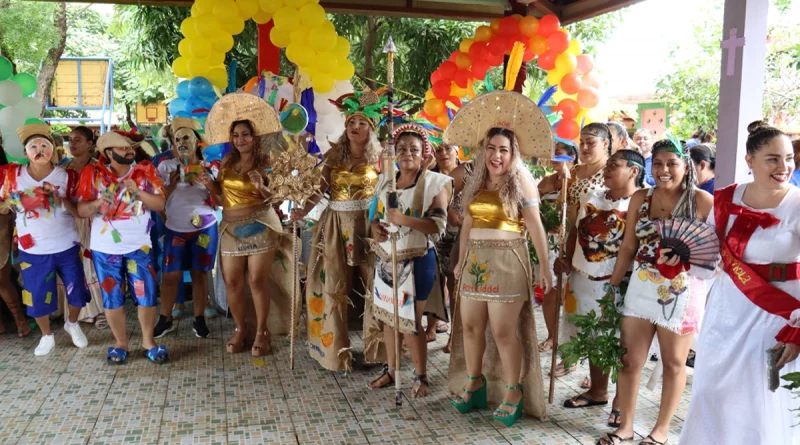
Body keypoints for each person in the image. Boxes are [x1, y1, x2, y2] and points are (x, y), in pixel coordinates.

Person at [680, 125, 799, 444]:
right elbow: (706, 264)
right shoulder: (724, 200)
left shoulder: (798, 204)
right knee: (713, 390)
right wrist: (678, 257)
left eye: (789, 158)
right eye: (772, 159)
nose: (784, 167)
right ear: (750, 159)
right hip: (726, 311)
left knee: (764, 398)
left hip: (778, 314)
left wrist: (798, 330)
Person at [596, 138, 713, 445]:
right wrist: (612, 288)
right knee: (629, 360)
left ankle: (660, 431)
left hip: (682, 289)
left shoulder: (702, 201)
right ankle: (626, 426)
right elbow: (628, 247)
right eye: (658, 163)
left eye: (672, 164)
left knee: (674, 362)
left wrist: (687, 258)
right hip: (642, 283)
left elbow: (714, 253)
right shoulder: (640, 199)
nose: (664, 170)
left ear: (686, 167)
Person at [447, 89, 553, 426]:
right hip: (475, 263)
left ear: (513, 154)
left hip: (508, 262)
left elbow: (536, 229)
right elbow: (467, 224)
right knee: (470, 325)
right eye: (491, 148)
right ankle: (475, 382)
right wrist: (461, 261)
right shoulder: (476, 180)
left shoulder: (522, 179)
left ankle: (513, 390)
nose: (496, 155)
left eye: (503, 150)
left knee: (504, 331)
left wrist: (544, 267)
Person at [290, 88, 384, 371]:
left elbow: (392, 191)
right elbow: (319, 191)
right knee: (333, 285)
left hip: (370, 226)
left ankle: (379, 351)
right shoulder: (333, 156)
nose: (356, 127)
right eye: (352, 122)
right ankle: (335, 354)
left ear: (371, 128)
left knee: (376, 285)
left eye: (362, 123)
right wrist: (302, 211)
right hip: (335, 226)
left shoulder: (381, 159)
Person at [556, 150, 645, 429]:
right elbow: (574, 230)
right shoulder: (591, 196)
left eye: (614, 166)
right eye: (607, 165)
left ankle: (621, 401)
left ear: (633, 171)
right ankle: (598, 391)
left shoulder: (642, 202)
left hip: (622, 282)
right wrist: (567, 260)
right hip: (584, 277)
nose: (607, 170)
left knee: (621, 342)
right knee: (593, 336)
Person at [202, 93, 295, 357]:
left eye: (245, 134)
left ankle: (262, 331)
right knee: (232, 281)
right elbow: (222, 200)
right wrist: (209, 185)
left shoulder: (267, 162)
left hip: (260, 223)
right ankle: (241, 328)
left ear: (255, 137)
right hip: (230, 227)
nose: (240, 139)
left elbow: (277, 198)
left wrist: (262, 186)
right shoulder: (228, 163)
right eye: (236, 135)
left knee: (256, 281)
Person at [366, 123, 451, 398]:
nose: (407, 154)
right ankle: (392, 370)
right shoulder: (385, 180)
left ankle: (420, 375)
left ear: (425, 154)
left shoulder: (435, 183)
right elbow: (376, 218)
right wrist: (376, 229)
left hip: (417, 261)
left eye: (414, 149)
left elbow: (438, 226)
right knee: (390, 320)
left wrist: (404, 220)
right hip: (387, 260)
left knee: (410, 322)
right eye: (401, 149)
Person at [76, 131, 167, 364]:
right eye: (123, 147)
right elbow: (80, 210)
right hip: (105, 249)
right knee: (112, 297)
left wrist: (138, 191)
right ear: (109, 152)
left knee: (145, 294)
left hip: (140, 247)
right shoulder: (92, 174)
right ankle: (121, 343)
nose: (129, 150)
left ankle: (149, 342)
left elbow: (160, 203)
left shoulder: (145, 171)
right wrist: (97, 203)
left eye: (130, 147)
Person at [1, 123, 89, 355]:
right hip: (33, 248)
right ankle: (47, 335)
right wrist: (18, 201)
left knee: (77, 290)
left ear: (54, 150)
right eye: (34, 146)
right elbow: (2, 209)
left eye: (44, 145)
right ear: (25, 152)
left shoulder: (67, 176)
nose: (39, 150)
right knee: (36, 294)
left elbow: (79, 210)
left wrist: (60, 200)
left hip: (67, 245)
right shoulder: (12, 175)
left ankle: (72, 324)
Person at [539, 123, 612, 378]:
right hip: (568, 243)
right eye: (582, 142)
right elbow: (549, 198)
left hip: (601, 251)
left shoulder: (613, 173)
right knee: (571, 305)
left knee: (598, 308)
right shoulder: (572, 172)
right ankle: (570, 356)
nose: (584, 147)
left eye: (591, 142)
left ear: (605, 143)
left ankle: (597, 371)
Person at [153, 117, 217, 339]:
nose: (181, 142)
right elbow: (157, 200)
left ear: (197, 141)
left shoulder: (210, 166)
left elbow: (219, 200)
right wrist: (169, 186)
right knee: (170, 275)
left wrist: (209, 183)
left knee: (200, 274)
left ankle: (199, 319)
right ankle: (165, 318)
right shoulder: (166, 166)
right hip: (175, 229)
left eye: (186, 137)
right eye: (177, 138)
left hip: (205, 228)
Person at [61, 126, 106, 330]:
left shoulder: (99, 168)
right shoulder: (62, 169)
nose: (72, 143)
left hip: (93, 221)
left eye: (78, 139)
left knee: (92, 264)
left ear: (90, 143)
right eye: (70, 139)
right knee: (72, 265)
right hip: (68, 223)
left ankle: (99, 311)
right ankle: (73, 311)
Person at [537, 140, 576, 353]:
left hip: (573, 241)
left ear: (571, 156)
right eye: (551, 152)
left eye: (558, 153)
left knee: (570, 293)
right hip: (550, 242)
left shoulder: (579, 179)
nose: (553, 157)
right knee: (549, 289)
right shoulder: (546, 181)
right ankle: (552, 336)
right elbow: (531, 207)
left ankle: (570, 341)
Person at [427, 140, 460, 343]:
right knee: (434, 282)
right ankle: (431, 327)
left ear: (457, 151)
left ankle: (454, 335)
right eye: (438, 149)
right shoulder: (430, 177)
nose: (443, 153)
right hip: (435, 235)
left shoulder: (469, 174)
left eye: (448, 148)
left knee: (454, 284)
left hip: (459, 235)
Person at [0, 133, 31, 337]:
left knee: (2, 279)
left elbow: (8, 205)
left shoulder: (6, 172)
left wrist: (12, 233)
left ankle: (20, 321)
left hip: (1, 225)